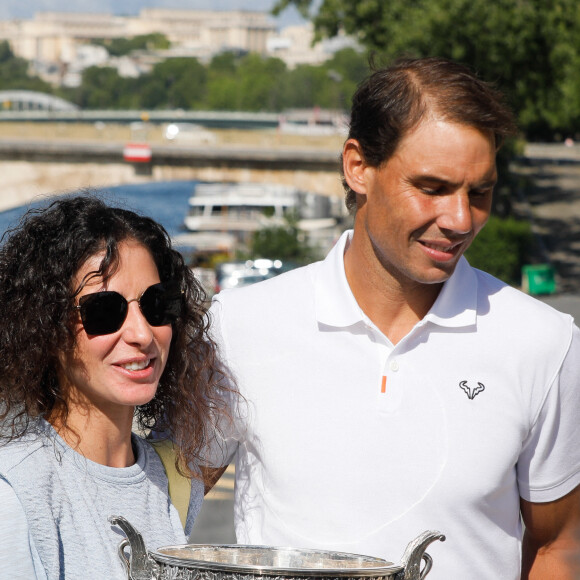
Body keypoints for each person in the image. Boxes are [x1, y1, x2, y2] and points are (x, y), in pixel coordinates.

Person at [208, 57, 580, 580]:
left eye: (480, 192)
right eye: (431, 187)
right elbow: (166, 501)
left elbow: (559, 547)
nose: (459, 220)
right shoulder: (237, 325)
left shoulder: (547, 344)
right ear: (358, 167)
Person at [0, 195, 230, 578]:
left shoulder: (172, 481)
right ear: (46, 329)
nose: (142, 333)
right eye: (104, 311)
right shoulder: (17, 495)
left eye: (157, 305)